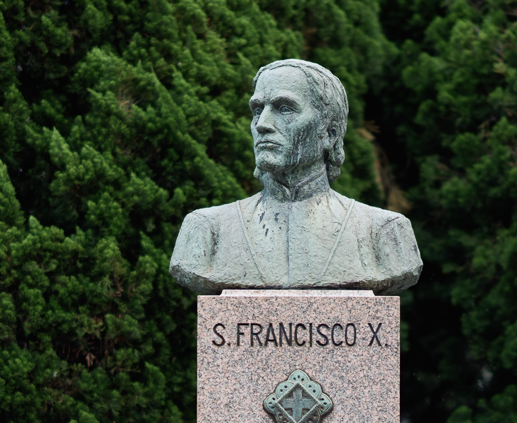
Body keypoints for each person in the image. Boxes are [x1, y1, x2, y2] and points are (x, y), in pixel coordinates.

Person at [169, 60, 423, 295]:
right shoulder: (207, 229)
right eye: (257, 110)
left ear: (330, 133)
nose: (262, 124)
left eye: (285, 108)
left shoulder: (383, 231)